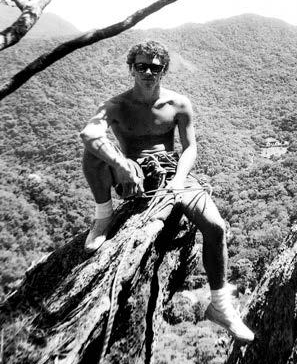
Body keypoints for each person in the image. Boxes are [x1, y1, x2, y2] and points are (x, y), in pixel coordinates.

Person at [79, 40, 254, 343]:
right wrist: (120, 164)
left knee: (215, 227)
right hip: (134, 174)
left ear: (164, 70)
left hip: (173, 171)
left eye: (155, 67)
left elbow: (190, 148)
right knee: (91, 151)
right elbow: (89, 132)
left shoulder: (178, 103)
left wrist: (179, 180)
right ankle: (103, 217)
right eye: (141, 66)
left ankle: (220, 306)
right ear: (131, 69)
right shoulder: (116, 105)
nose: (148, 72)